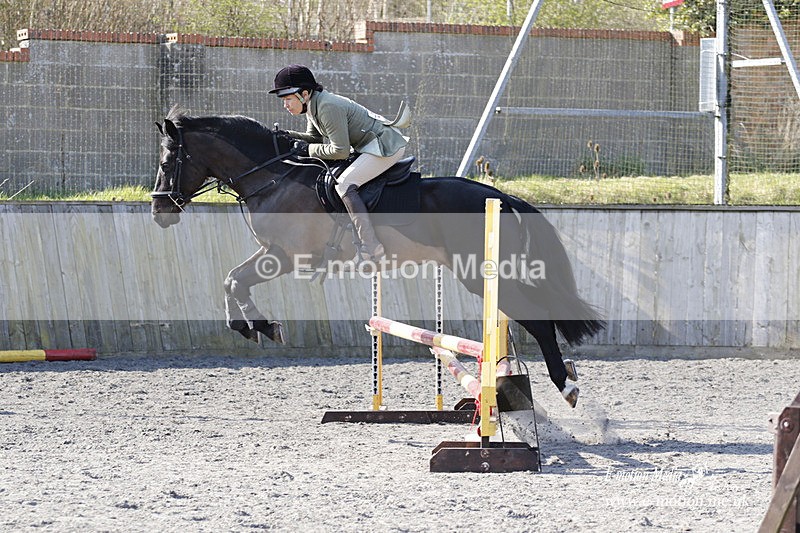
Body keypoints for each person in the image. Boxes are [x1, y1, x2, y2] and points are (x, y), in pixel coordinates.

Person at [269, 64, 410, 268]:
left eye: (288, 99)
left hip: (385, 147)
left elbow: (340, 151)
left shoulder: (327, 106)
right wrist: (288, 137)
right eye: (283, 101)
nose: (286, 105)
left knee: (344, 183)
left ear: (304, 94)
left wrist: (306, 150)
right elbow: (314, 138)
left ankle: (371, 245)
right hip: (369, 146)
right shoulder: (314, 105)